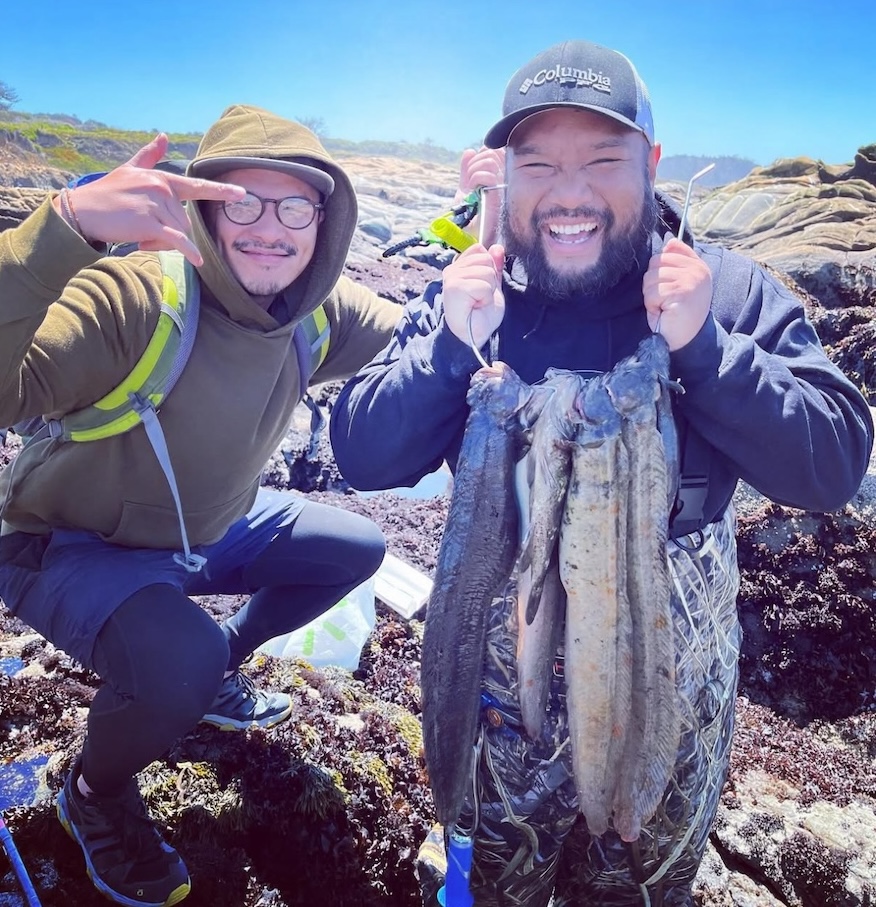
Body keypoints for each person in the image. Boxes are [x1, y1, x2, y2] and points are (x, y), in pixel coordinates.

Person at [329, 40, 874, 906]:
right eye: (538, 163)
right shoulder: (471, 291)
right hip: (495, 701)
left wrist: (708, 349)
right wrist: (444, 349)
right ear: (504, 173)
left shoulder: (722, 290)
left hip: (665, 698)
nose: (569, 193)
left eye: (602, 160)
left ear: (652, 165)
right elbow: (358, 449)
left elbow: (836, 460)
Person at [0, 104, 410, 907]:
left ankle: (220, 661)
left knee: (355, 548)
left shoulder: (317, 311)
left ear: (324, 222)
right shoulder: (133, 299)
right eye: (242, 202)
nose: (270, 227)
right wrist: (66, 227)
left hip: (201, 530)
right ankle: (93, 792)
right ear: (204, 206)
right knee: (174, 663)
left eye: (295, 205)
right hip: (65, 545)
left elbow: (427, 342)